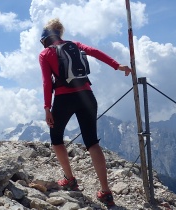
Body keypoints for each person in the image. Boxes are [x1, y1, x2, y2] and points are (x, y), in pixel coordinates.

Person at [38, 18, 132, 208]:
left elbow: (47, 83)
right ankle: (106, 192)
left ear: (45, 37)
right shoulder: (76, 45)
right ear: (60, 33)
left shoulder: (45, 53)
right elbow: (95, 52)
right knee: (92, 142)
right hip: (87, 96)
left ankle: (70, 179)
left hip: (64, 99)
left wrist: (47, 108)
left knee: (56, 138)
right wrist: (117, 66)